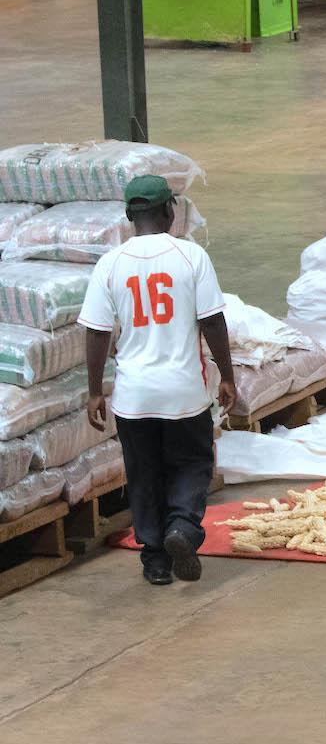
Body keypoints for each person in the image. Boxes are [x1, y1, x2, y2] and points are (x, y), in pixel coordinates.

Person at [80, 175, 237, 585]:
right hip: (183, 392)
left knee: (144, 473)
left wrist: (95, 390)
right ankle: (182, 529)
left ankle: (155, 560)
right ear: (170, 211)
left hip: (133, 397)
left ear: (130, 216)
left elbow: (96, 331)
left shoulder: (110, 264)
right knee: (191, 463)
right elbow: (212, 320)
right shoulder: (190, 257)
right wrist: (227, 376)